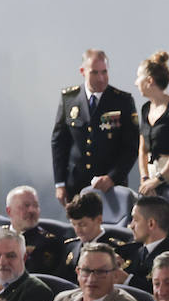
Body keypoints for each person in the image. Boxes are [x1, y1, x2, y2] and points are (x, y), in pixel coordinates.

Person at [51, 48, 138, 203]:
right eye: (95, 73)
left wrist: (113, 177)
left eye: (104, 72)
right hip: (76, 185)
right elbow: (59, 142)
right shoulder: (69, 98)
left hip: (111, 187)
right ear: (83, 71)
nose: (101, 78)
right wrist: (60, 183)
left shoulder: (122, 101)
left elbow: (131, 147)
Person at [0, 186, 64, 277]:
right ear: (9, 211)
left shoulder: (47, 242)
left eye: (36, 205)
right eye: (26, 206)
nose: (32, 210)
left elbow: (32, 277)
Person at [51, 242, 141, 301]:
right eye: (86, 271)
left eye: (101, 272)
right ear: (78, 272)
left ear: (115, 275)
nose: (92, 279)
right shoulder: (62, 299)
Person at [136, 50, 169, 197]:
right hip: (151, 178)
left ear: (150, 81)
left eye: (138, 77)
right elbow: (143, 150)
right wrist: (145, 179)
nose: (135, 83)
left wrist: (158, 179)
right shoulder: (145, 109)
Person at [119, 194, 169, 290]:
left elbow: (166, 293)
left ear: (151, 224)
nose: (131, 225)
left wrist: (127, 280)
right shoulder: (130, 250)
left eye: (135, 219)